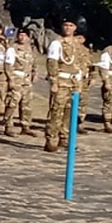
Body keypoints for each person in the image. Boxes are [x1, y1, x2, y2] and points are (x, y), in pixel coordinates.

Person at [44, 20, 84, 152]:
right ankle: (51, 138)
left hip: (74, 82)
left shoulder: (78, 44)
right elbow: (52, 63)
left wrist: (81, 81)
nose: (68, 28)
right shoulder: (57, 43)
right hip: (61, 81)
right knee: (56, 111)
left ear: (75, 28)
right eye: (66, 25)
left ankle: (64, 138)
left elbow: (81, 63)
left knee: (70, 112)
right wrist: (53, 81)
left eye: (71, 26)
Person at [3, 29, 40, 137]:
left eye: (24, 35)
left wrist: (35, 73)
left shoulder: (31, 49)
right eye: (20, 35)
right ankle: (8, 126)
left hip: (27, 79)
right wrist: (11, 79)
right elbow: (8, 65)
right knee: (12, 103)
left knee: (26, 104)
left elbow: (34, 63)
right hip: (16, 77)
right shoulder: (12, 49)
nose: (22, 37)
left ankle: (25, 126)